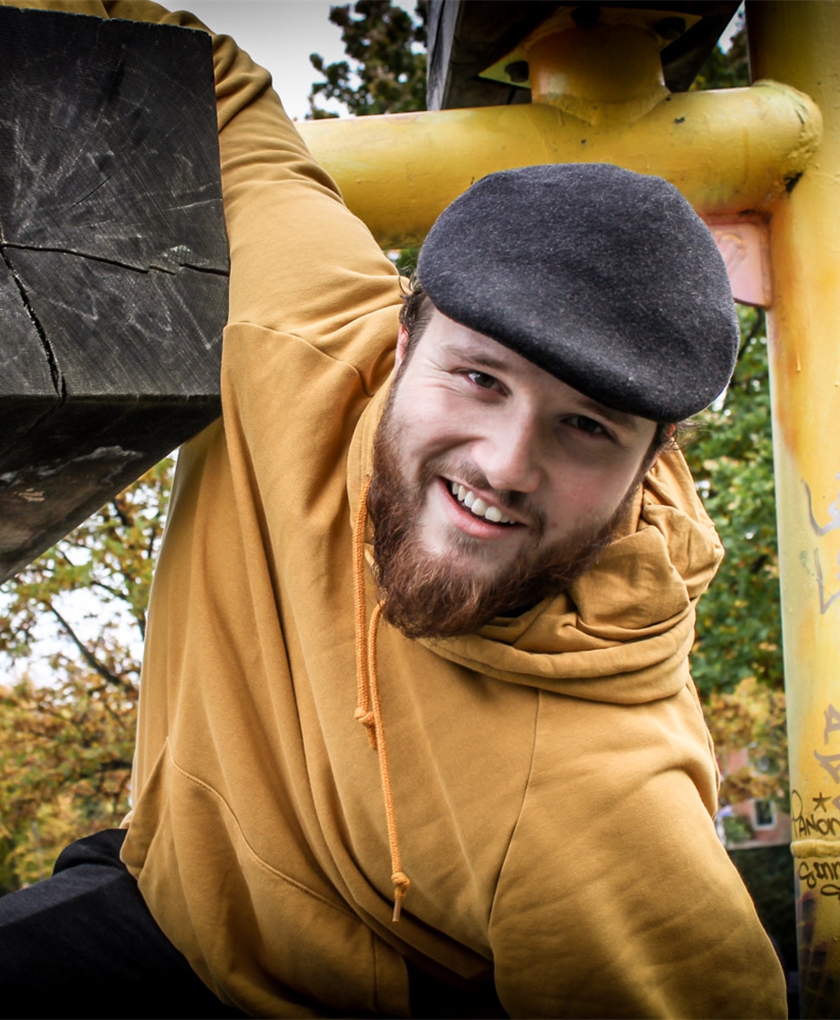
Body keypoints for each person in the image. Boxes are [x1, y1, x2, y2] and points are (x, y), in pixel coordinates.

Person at [0, 2, 788, 1018]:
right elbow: (206, 76)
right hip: (160, 880)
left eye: (587, 427)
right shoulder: (310, 330)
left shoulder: (601, 802)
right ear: (403, 340)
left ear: (650, 463)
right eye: (482, 379)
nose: (506, 465)